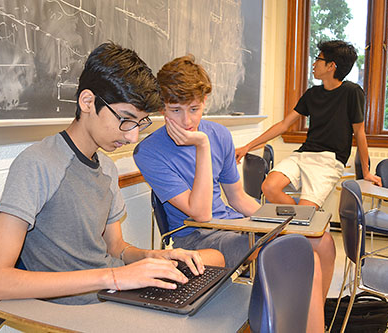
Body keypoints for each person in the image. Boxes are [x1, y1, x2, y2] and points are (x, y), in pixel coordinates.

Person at [0, 42, 224, 306]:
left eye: (139, 123)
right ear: (87, 102)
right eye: (126, 119)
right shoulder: (37, 164)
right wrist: (114, 278)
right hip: (80, 309)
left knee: (212, 270)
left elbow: (116, 248)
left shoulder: (106, 166)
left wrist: (152, 258)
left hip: (114, 295)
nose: (132, 136)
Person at [133, 54, 328, 332]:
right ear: (161, 108)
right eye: (175, 110)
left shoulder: (220, 134)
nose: (187, 120)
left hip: (231, 227)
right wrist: (201, 145)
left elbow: (237, 199)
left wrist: (280, 222)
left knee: (317, 242)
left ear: (204, 103)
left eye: (194, 108)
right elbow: (200, 214)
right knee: (301, 259)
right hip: (194, 236)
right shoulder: (149, 151)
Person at [235, 40, 382, 209]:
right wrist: (247, 146)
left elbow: (360, 133)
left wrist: (366, 172)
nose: (314, 64)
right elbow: (284, 125)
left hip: (329, 160)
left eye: (318, 59)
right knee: (269, 187)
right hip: (303, 154)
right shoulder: (312, 93)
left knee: (306, 210)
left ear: (331, 66)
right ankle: (300, 220)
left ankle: (303, 220)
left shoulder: (352, 92)